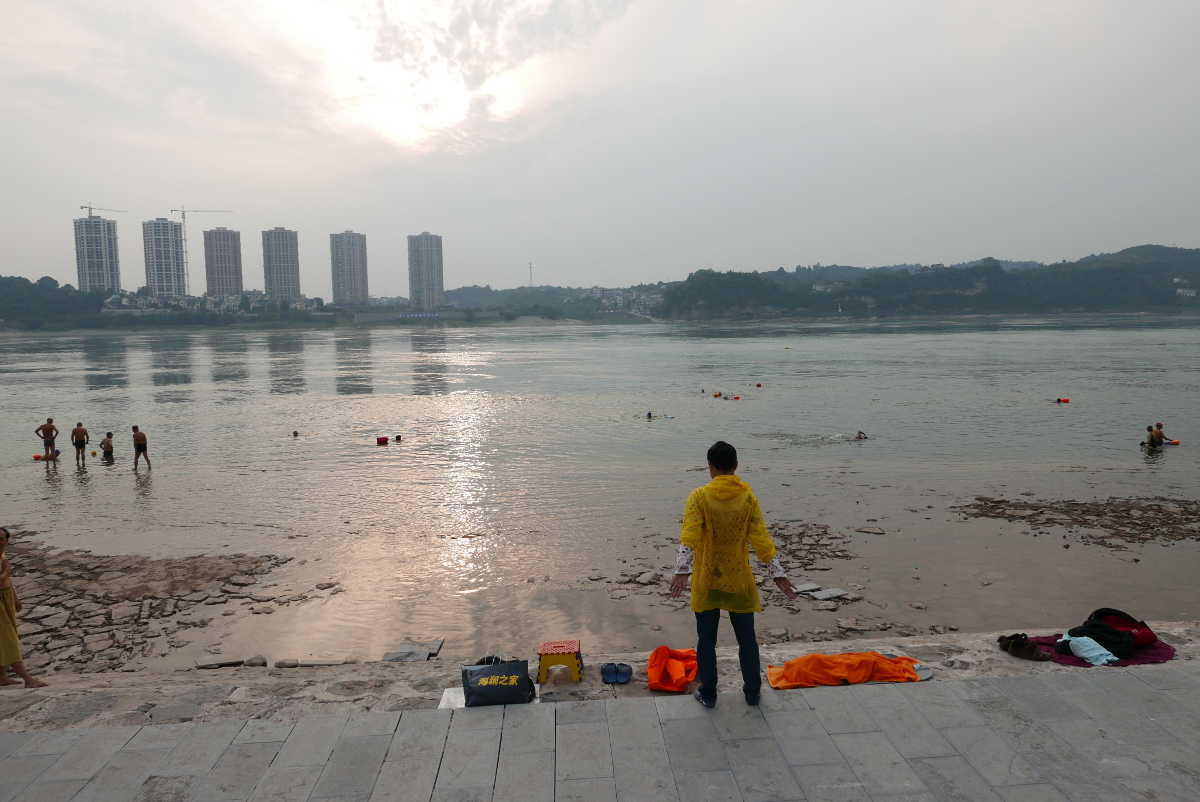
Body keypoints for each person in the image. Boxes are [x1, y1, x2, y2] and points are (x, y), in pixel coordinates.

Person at [670, 441, 797, 708]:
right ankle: (752, 692)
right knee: (747, 640)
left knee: (706, 640)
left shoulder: (699, 497)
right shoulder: (748, 498)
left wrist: (682, 571)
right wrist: (778, 574)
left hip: (707, 579)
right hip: (739, 579)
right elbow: (761, 539)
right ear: (736, 466)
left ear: (710, 467)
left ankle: (709, 694)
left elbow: (689, 536)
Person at [0, 528, 48, 689]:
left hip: (5, 596)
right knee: (8, 640)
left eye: (0, 538)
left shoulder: (2, 556)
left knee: (6, 636)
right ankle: (28, 679)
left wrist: (15, 597)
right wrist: (6, 572)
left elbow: (8, 580)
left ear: (7, 540)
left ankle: (2, 677)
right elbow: (4, 577)